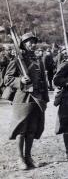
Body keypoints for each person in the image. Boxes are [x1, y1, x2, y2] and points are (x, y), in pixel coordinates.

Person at [4, 32, 49, 170]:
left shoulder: (37, 59)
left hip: (37, 97)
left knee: (32, 129)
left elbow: (43, 80)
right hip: (22, 98)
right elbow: (7, 78)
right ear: (22, 44)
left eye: (34, 41)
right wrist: (20, 80)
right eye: (29, 41)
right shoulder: (17, 59)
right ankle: (20, 158)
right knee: (21, 129)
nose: (32, 44)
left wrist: (45, 98)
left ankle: (29, 157)